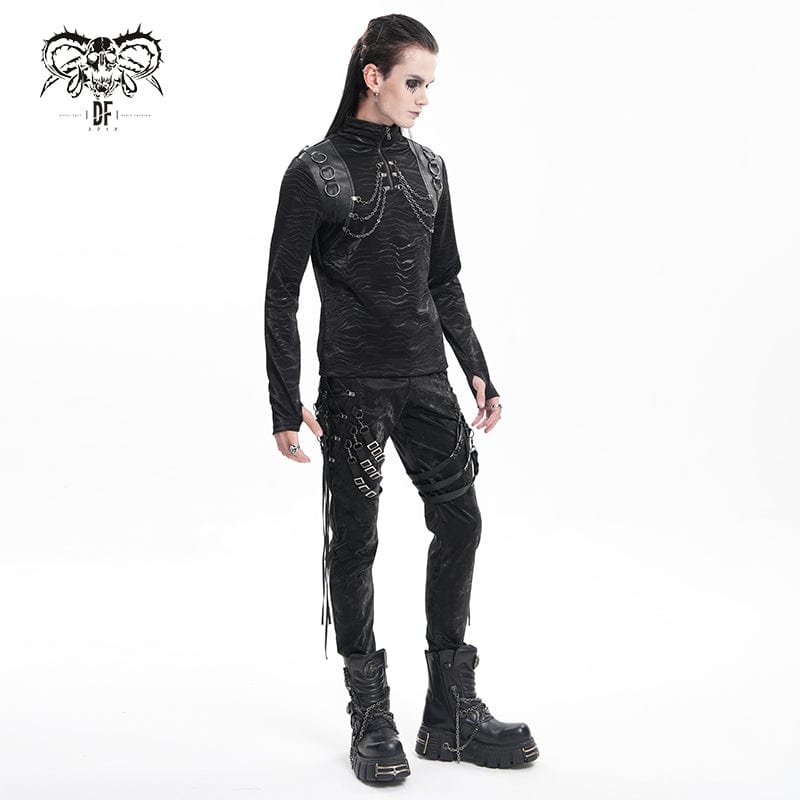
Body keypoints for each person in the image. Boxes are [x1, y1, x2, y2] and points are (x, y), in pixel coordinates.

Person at [264, 13, 538, 784]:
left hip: (425, 381)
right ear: (373, 76)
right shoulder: (315, 172)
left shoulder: (431, 169)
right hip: (352, 387)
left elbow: (442, 280)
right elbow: (281, 293)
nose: (423, 98)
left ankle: (450, 713)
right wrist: (285, 401)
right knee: (355, 543)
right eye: (413, 82)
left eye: (429, 85)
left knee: (462, 521)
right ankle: (370, 711)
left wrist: (476, 367)